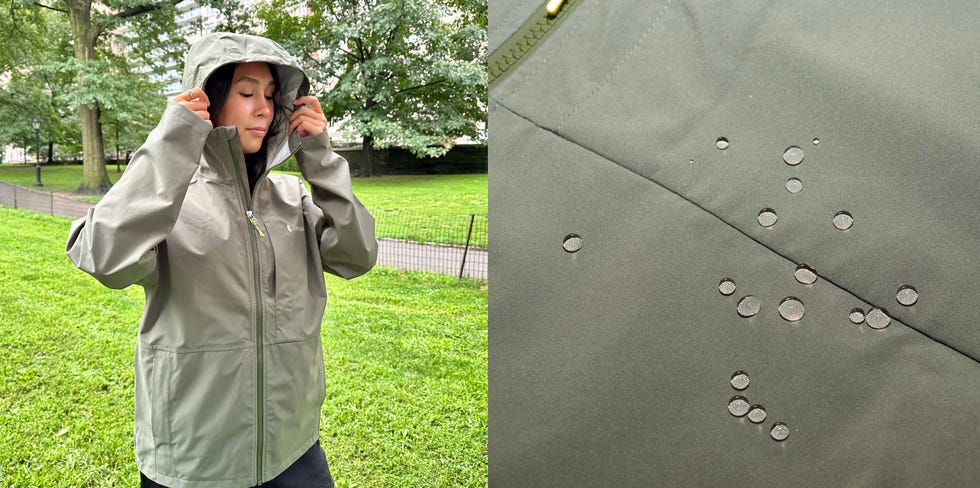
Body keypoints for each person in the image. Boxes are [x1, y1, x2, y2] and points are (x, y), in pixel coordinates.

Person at [66, 32, 377, 488]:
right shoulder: (169, 201)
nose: (264, 109)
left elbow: (357, 255)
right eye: (247, 93)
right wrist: (171, 145)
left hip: (292, 448)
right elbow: (103, 257)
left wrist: (321, 159)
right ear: (208, 98)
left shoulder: (291, 198)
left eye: (272, 96)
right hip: (194, 457)